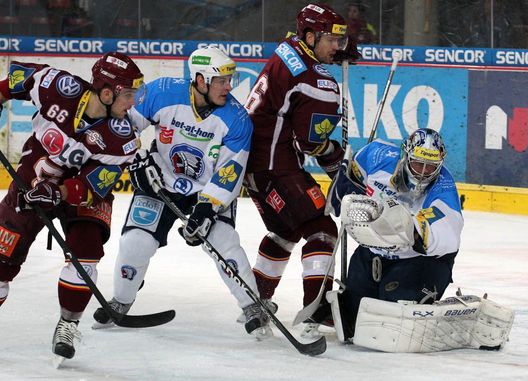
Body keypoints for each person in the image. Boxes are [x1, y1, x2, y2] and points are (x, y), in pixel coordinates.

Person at [92, 47, 271, 337]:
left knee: (224, 242)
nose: (229, 86)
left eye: (230, 79)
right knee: (135, 242)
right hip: (160, 180)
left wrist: (207, 208)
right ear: (200, 80)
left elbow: (229, 171)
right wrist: (136, 160)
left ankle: (251, 305)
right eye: (221, 81)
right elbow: (122, 125)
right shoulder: (160, 92)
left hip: (208, 191)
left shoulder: (237, 119)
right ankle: (122, 299)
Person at [0, 52, 145, 362]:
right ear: (107, 92)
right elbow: (14, 82)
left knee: (87, 250)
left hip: (80, 193)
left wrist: (61, 191)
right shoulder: (57, 85)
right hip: (33, 177)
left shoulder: (123, 139)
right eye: (128, 94)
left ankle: (68, 323)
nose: (132, 103)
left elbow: (95, 184)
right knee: (2, 256)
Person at [243, 3, 357, 336]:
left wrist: (331, 57)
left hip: (256, 163)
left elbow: (303, 72)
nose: (337, 47)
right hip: (274, 166)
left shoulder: (289, 49)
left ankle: (256, 300)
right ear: (309, 35)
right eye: (331, 41)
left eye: (340, 41)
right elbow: (311, 143)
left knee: (286, 231)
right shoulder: (317, 83)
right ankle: (315, 308)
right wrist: (335, 158)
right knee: (322, 229)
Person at [326, 128, 465, 342]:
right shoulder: (376, 155)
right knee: (352, 321)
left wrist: (407, 225)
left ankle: (425, 302)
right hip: (372, 253)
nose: (423, 172)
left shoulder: (443, 188)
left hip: (419, 262)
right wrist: (346, 191)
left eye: (431, 167)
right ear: (406, 155)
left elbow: (447, 235)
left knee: (393, 312)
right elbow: (348, 181)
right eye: (418, 163)